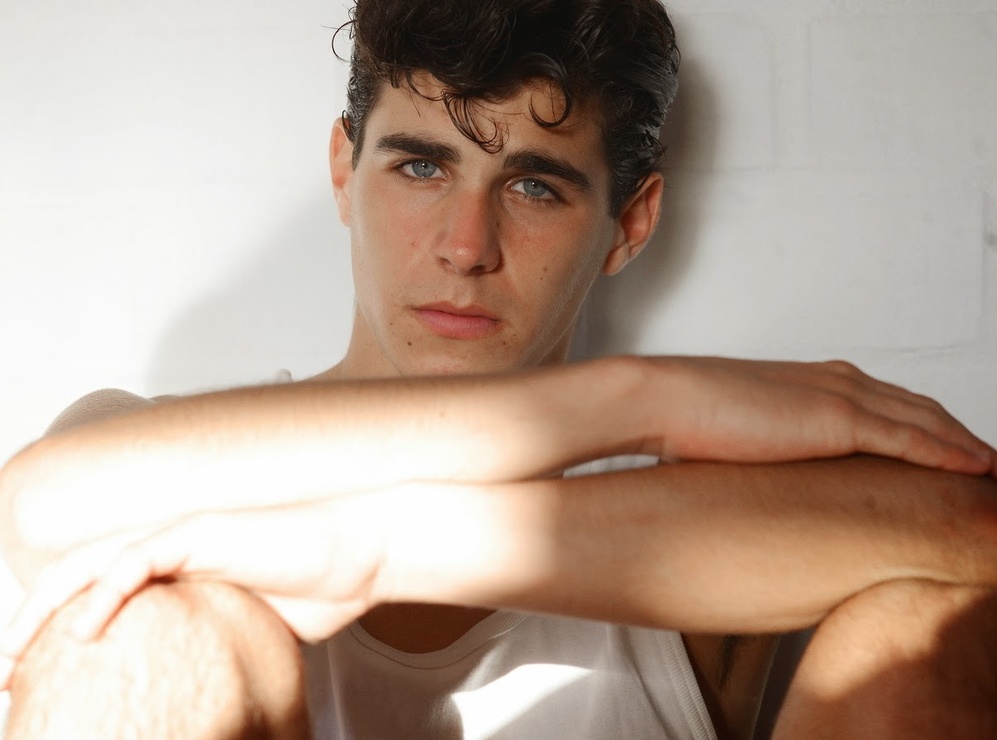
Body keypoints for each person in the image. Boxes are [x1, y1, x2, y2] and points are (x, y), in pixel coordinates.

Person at [1, 0, 996, 737]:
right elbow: (44, 501)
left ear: (629, 223)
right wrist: (646, 395)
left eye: (533, 186)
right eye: (420, 166)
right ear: (344, 171)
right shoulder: (168, 457)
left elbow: (974, 535)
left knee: (925, 625)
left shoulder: (693, 502)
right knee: (148, 633)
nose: (465, 246)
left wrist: (375, 546)